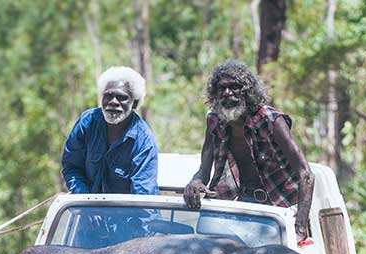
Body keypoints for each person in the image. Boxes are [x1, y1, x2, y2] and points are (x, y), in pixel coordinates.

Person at [183, 60, 315, 241]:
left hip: (279, 208)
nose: (227, 93)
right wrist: (195, 183)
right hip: (241, 205)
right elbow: (204, 171)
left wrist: (299, 226)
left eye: (234, 87)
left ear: (247, 91)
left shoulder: (271, 120)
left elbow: (305, 174)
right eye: (222, 89)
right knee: (205, 243)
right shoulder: (214, 121)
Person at [61, 66, 159, 195]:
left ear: (134, 103)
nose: (113, 102)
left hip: (127, 213)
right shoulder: (87, 122)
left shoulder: (144, 141)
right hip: (88, 209)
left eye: (121, 97)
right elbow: (72, 167)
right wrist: (84, 199)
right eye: (108, 95)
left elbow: (143, 196)